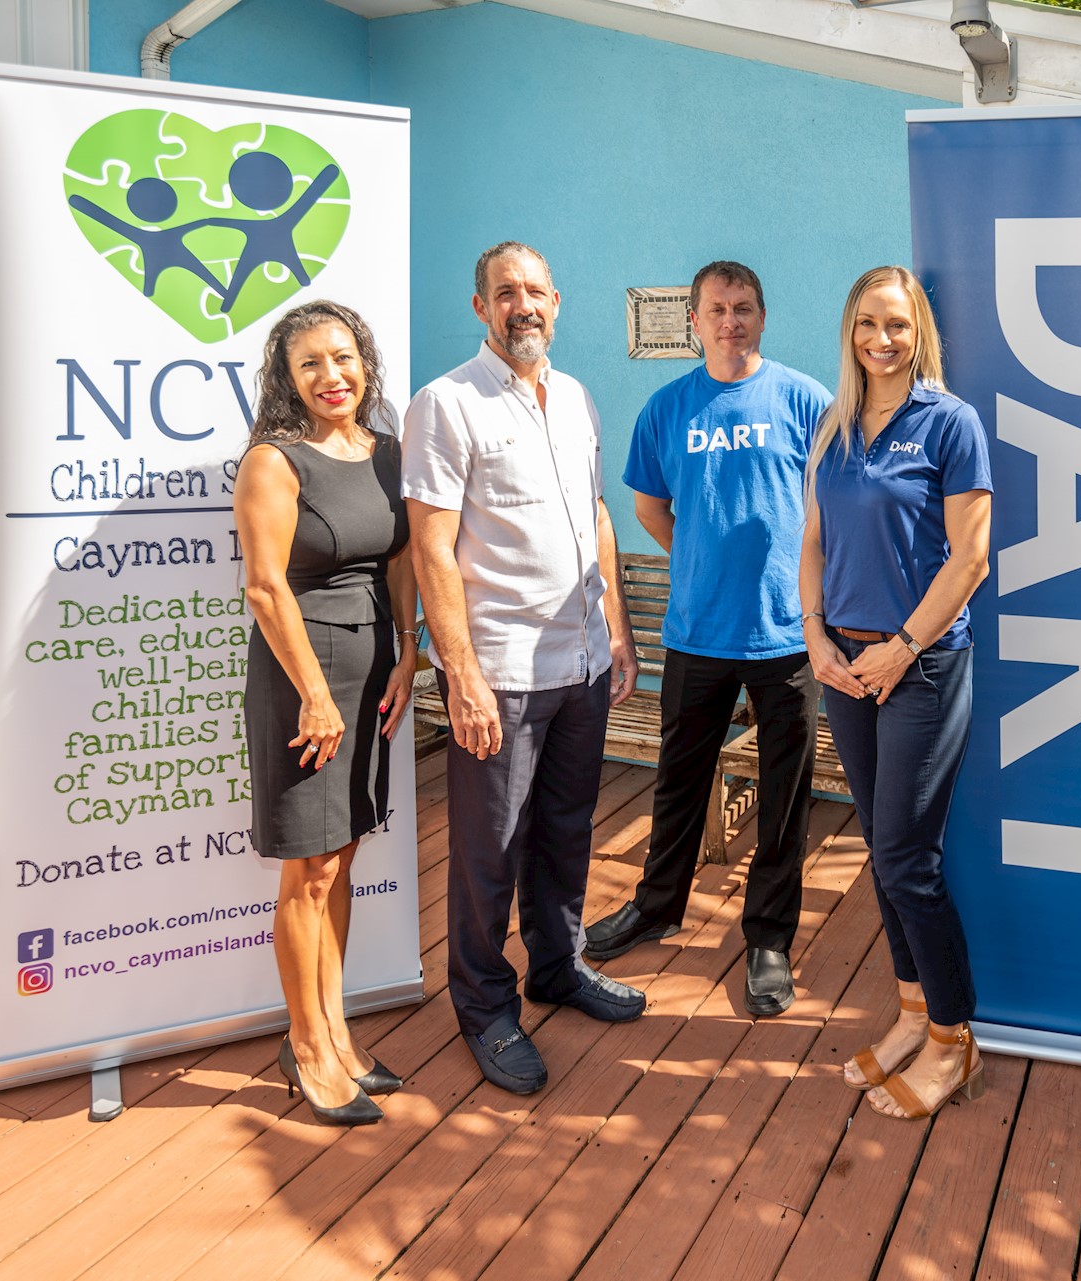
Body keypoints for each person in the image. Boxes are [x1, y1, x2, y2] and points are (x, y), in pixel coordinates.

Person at [404, 241, 645, 1095]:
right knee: (489, 850)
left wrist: (616, 628)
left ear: (557, 300)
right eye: (506, 293)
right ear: (481, 307)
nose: (524, 306)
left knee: (565, 832)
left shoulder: (575, 397)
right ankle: (484, 1006)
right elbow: (431, 547)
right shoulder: (445, 404)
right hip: (499, 673)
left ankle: (557, 967)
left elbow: (597, 518)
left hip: (579, 662)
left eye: (536, 292)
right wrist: (458, 670)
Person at [583, 261, 829, 1018]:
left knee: (785, 798)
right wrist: (699, 545)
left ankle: (768, 938)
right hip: (696, 631)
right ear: (694, 320)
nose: (731, 321)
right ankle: (658, 904)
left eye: (744, 307)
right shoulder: (667, 409)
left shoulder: (805, 399)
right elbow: (649, 505)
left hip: (787, 634)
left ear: (762, 316)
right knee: (679, 782)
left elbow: (833, 503)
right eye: (717, 309)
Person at [800, 266, 992, 1120]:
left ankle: (954, 1038)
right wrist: (814, 634)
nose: (883, 339)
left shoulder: (951, 423)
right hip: (845, 668)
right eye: (869, 323)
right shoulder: (835, 425)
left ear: (921, 334)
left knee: (910, 861)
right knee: (882, 850)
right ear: (850, 329)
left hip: (922, 667)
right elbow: (813, 539)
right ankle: (913, 1013)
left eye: (899, 325)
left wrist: (904, 647)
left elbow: (971, 558)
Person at [234, 299, 416, 1128]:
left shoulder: (385, 453)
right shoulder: (274, 461)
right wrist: (312, 692)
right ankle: (306, 1045)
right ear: (288, 378)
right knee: (307, 870)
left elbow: (404, 553)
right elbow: (267, 587)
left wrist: (410, 650)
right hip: (304, 677)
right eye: (310, 363)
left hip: (372, 667)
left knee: (340, 859)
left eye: (342, 358)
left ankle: (337, 1028)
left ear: (365, 363)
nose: (331, 375)